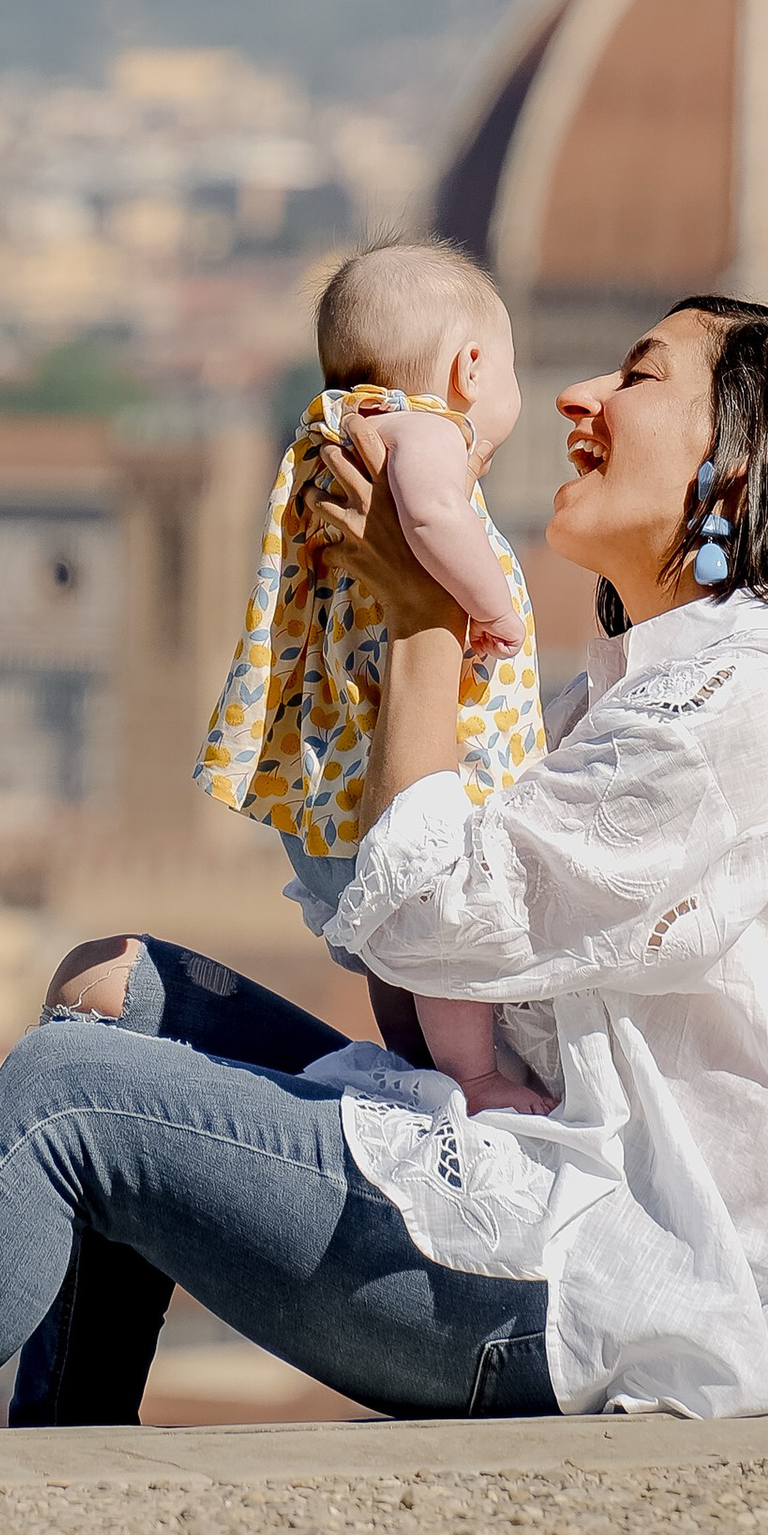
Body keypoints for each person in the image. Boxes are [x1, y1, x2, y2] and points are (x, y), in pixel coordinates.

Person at [0, 295, 768, 1431]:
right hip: (537, 1193)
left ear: (739, 464)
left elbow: (432, 917)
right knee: (107, 991)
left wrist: (420, 620)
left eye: (637, 378)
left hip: (600, 1285)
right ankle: (61, 1461)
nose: (577, 396)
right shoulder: (630, 696)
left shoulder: (737, 703)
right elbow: (428, 990)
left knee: (67, 1097)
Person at [196, 238, 552, 1116]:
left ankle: (416, 1061)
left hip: (344, 769)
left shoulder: (336, 432)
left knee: (395, 943)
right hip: (441, 764)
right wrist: (490, 606)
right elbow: (431, 514)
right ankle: (472, 1077)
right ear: (471, 368)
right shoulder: (425, 430)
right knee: (445, 934)